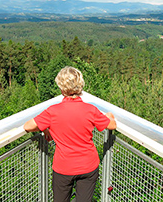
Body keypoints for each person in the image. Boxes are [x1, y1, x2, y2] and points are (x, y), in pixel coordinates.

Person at [24, 66, 117, 202]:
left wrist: (45, 129)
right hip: (88, 167)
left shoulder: (53, 111)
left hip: (63, 168)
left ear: (61, 88)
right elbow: (112, 125)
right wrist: (109, 116)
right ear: (80, 86)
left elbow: (28, 126)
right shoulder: (90, 109)